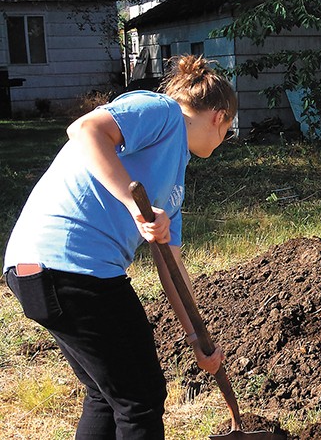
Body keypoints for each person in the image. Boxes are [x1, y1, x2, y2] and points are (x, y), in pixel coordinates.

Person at [4, 55, 236, 437]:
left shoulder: (172, 179)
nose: (224, 141)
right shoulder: (162, 111)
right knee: (139, 398)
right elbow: (84, 130)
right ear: (219, 116)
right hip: (71, 267)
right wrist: (133, 205)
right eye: (229, 131)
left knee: (107, 394)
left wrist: (197, 338)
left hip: (47, 272)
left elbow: (170, 266)